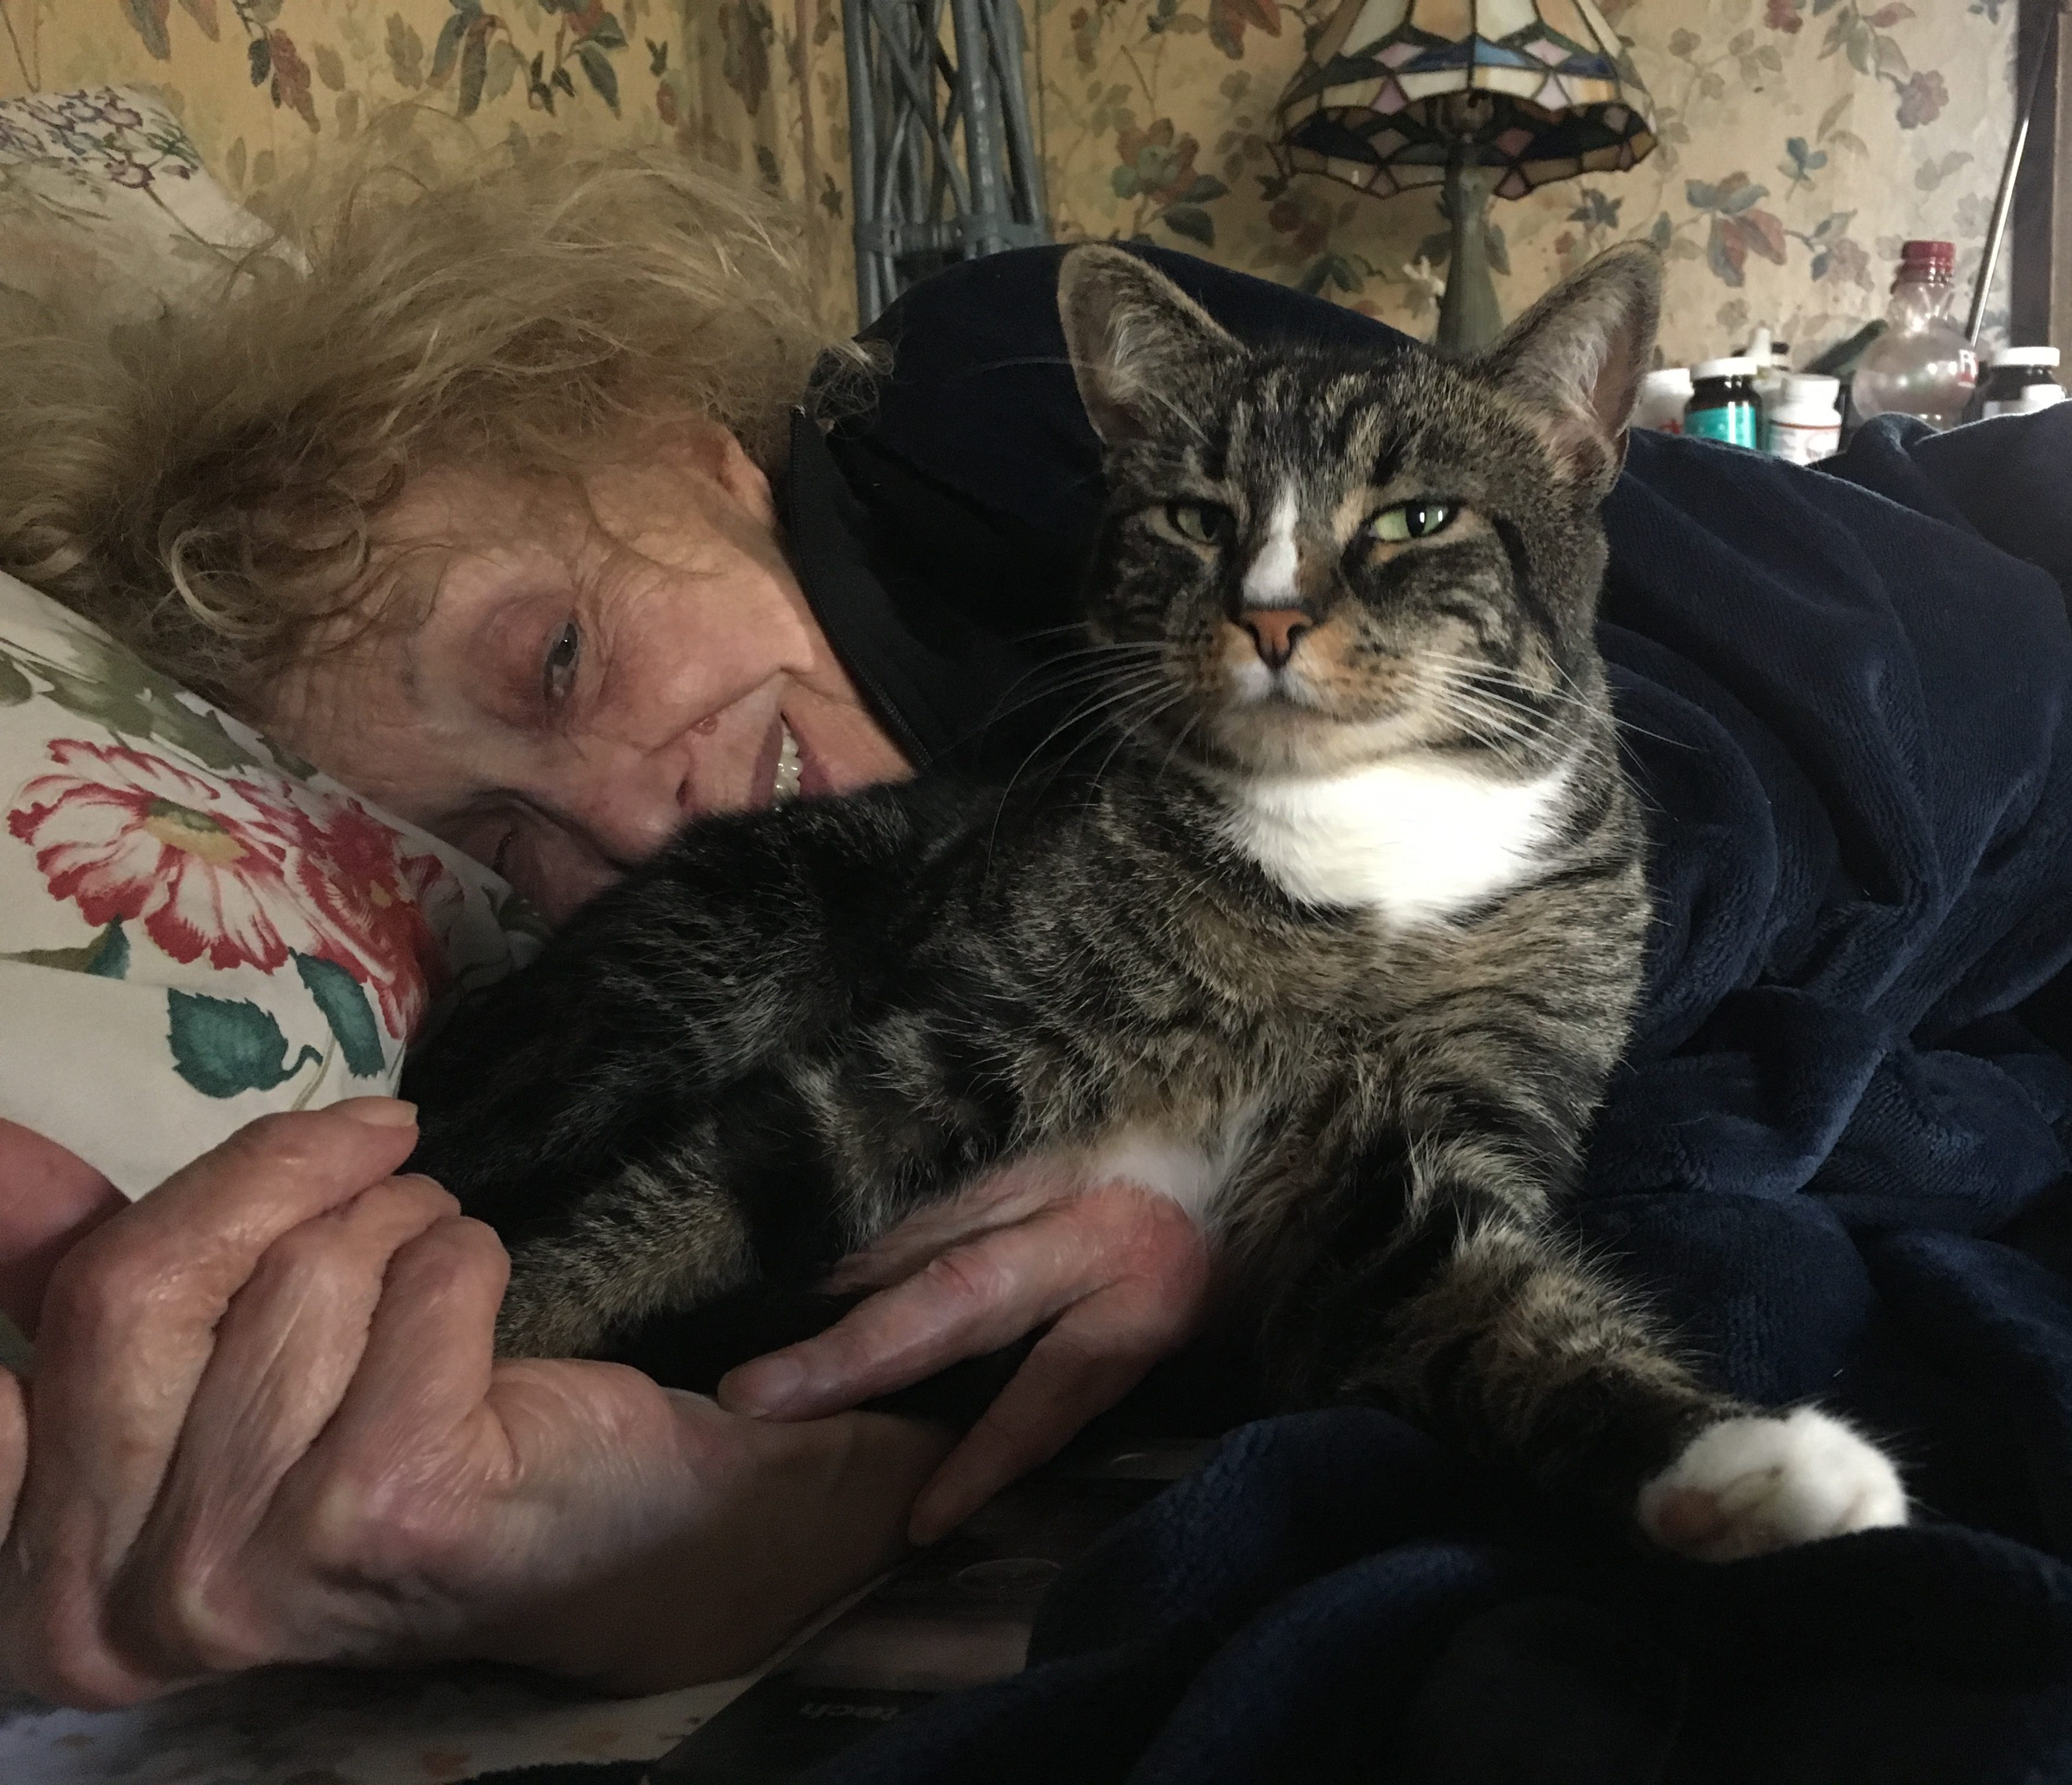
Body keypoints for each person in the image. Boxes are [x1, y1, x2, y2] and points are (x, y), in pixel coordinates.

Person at [0, 154, 1247, 1706]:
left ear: (692, 454)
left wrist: (1236, 1157)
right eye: (496, 848)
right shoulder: (665, 1032)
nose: (640, 835)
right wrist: (695, 1520)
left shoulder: (1001, 403)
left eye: (563, 660)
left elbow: (1621, 775)